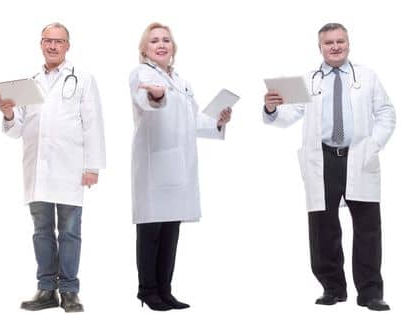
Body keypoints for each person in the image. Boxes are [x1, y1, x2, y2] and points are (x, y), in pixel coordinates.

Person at [261, 22, 394, 312]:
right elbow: (289, 114)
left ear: (348, 43)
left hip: (359, 156)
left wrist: (374, 145)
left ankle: (370, 292)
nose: (335, 47)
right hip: (322, 158)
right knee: (323, 227)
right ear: (319, 47)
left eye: (340, 41)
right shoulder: (308, 79)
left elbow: (386, 112)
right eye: (329, 43)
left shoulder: (368, 76)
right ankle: (332, 288)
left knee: (368, 227)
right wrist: (271, 108)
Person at [0, 22, 104, 313]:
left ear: (68, 46)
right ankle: (46, 290)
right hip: (37, 171)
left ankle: (69, 291)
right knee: (42, 231)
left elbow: (93, 125)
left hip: (71, 168)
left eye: (59, 41)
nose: (53, 46)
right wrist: (8, 113)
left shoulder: (82, 79)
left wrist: (92, 166)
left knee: (70, 232)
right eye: (47, 41)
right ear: (40, 44)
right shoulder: (28, 83)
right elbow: (16, 130)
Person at [125, 22, 231, 311]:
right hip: (154, 164)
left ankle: (165, 290)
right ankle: (147, 291)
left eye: (166, 40)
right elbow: (146, 100)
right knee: (151, 231)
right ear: (144, 49)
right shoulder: (142, 74)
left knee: (171, 230)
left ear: (173, 48)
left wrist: (218, 121)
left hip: (179, 166)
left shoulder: (181, 81)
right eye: (155, 40)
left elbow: (194, 120)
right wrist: (156, 96)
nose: (161, 45)